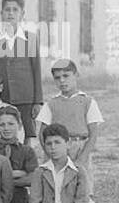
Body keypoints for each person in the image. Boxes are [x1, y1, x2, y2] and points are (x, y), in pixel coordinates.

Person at [36, 58, 104, 195]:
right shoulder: (51, 103)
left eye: (66, 76)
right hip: (58, 148)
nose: (62, 81)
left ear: (76, 75)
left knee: (81, 185)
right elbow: (42, 133)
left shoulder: (87, 101)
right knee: (56, 186)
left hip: (79, 147)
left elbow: (93, 133)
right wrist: (51, 153)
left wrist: (83, 156)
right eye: (57, 78)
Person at [0, 0, 42, 140]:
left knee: (27, 134)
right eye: (7, 10)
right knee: (3, 132)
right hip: (3, 96)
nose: (11, 13)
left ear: (22, 14)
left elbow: (36, 70)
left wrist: (37, 101)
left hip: (25, 97)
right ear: (1, 14)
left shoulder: (30, 38)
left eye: (15, 10)